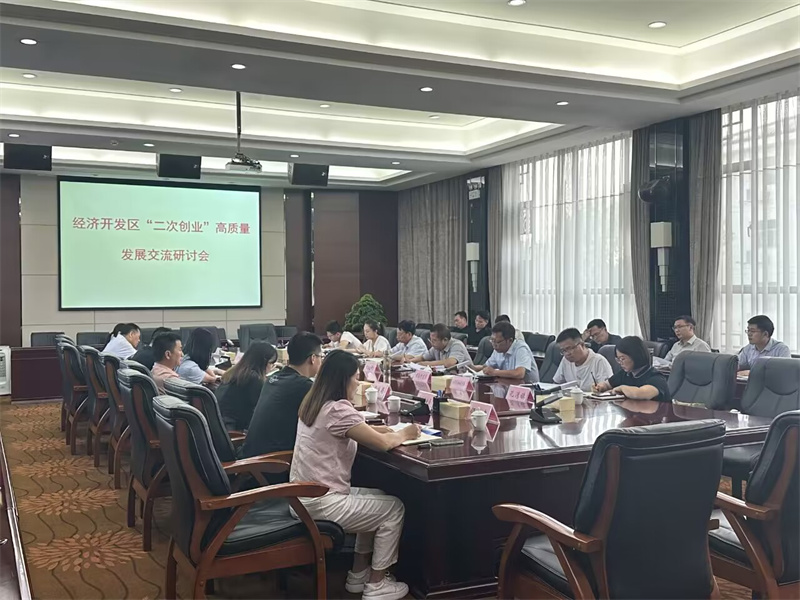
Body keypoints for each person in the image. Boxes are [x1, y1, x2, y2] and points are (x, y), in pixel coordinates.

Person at [290, 350, 421, 600]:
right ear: (343, 380)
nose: (358, 383)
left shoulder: (314, 402)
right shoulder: (338, 410)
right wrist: (406, 433)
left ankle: (358, 574)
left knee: (378, 497)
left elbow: (360, 428)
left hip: (301, 498)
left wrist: (389, 430)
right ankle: (377, 584)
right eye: (356, 377)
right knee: (393, 509)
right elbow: (383, 444)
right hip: (322, 502)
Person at [241, 332, 323, 459]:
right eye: (321, 357)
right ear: (312, 358)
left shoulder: (272, 378)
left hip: (250, 456)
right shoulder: (304, 386)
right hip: (271, 463)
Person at [216, 342, 277, 431]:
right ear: (263, 362)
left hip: (222, 426)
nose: (272, 367)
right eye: (271, 363)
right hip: (234, 429)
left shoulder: (235, 372)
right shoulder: (253, 379)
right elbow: (262, 409)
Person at [592, 336, 671, 402]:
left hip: (658, 415)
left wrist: (621, 388)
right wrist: (600, 387)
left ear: (635, 356)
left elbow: (640, 393)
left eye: (622, 359)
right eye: (618, 359)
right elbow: (607, 384)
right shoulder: (625, 374)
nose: (620, 362)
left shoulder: (656, 377)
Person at [473, 321, 539, 383]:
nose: (494, 344)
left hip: (528, 387)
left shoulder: (521, 348)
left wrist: (494, 372)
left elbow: (519, 373)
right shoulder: (497, 350)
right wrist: (472, 367)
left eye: (497, 342)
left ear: (510, 340)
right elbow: (486, 367)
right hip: (508, 385)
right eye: (492, 340)